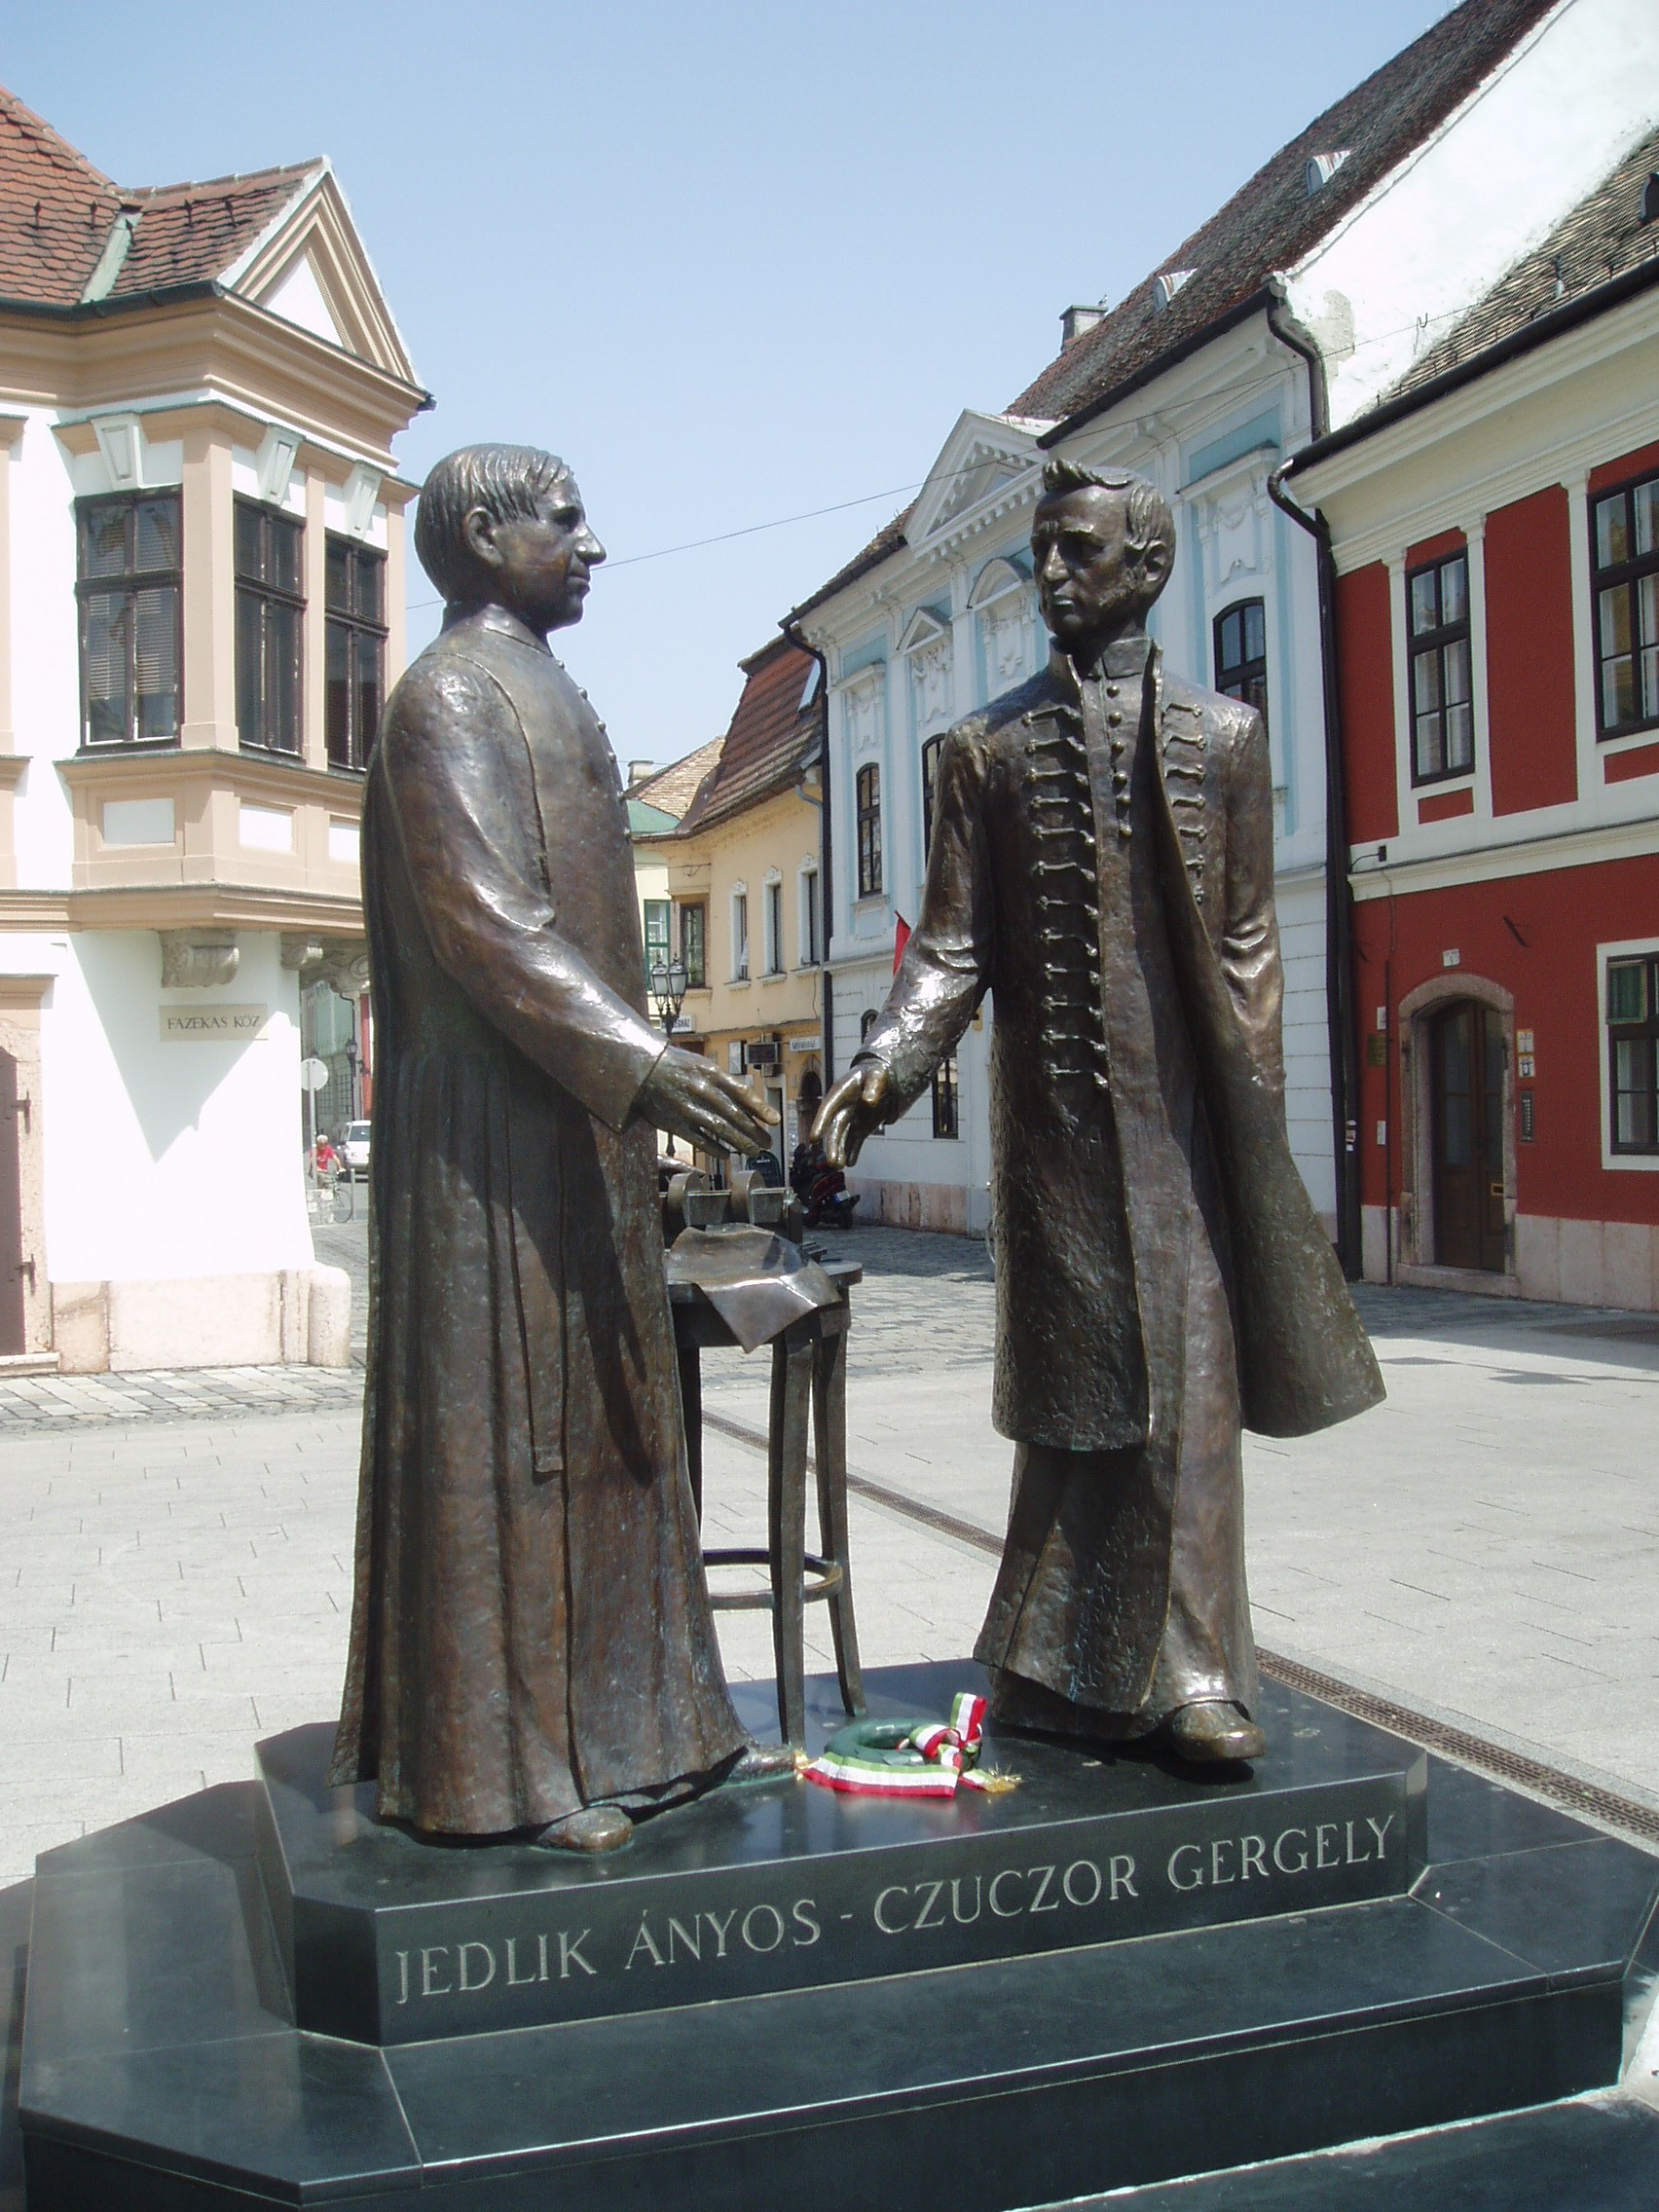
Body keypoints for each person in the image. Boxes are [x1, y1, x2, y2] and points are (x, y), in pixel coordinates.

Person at [816, 458, 1381, 1765]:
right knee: (1083, 1410)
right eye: (1043, 550)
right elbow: (951, 948)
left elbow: (1250, 943)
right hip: (1060, 1144)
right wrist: (884, 1067)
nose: (1052, 573)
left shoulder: (1225, 740)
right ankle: (1058, 1668)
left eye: (1079, 549)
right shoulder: (984, 750)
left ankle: (1192, 1675)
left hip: (1185, 1134)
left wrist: (1252, 1116)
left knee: (1187, 1400)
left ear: (1150, 564)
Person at [329, 444, 790, 1851]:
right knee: (517, 1452)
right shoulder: (449, 698)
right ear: (486, 531)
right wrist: (646, 1067)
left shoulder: (535, 683)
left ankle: (656, 1736)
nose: (594, 546)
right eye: (567, 521)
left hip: (574, 1127)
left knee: (613, 1439)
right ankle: (519, 1772)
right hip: (492, 1150)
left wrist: (628, 1084)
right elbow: (487, 924)